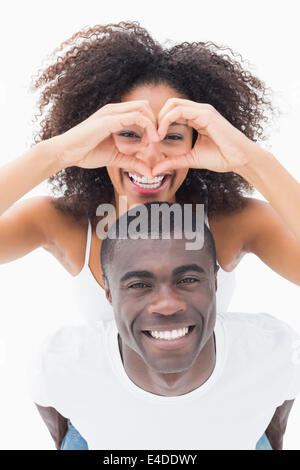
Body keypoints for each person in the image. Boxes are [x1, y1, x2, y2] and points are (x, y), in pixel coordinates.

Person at [1, 21, 299, 449]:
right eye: (129, 134)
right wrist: (58, 152)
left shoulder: (232, 222)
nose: (150, 156)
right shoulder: (66, 223)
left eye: (173, 137)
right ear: (97, 134)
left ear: (201, 141)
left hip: (218, 421)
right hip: (109, 430)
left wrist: (250, 160)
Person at [31, 203, 300, 450]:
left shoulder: (274, 350)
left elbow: (277, 421)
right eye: (139, 285)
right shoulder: (63, 362)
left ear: (215, 282)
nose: (167, 305)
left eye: (188, 279)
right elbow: (57, 421)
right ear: (109, 293)